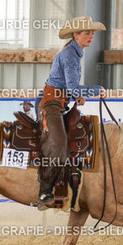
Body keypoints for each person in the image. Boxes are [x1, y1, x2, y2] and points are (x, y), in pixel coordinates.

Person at [36, 16, 106, 210]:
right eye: (87, 33)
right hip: (50, 103)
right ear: (76, 35)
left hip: (57, 101)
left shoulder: (73, 53)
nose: (91, 36)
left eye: (92, 33)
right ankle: (44, 192)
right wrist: (97, 90)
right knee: (59, 143)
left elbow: (70, 88)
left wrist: (76, 95)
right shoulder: (70, 55)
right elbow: (73, 87)